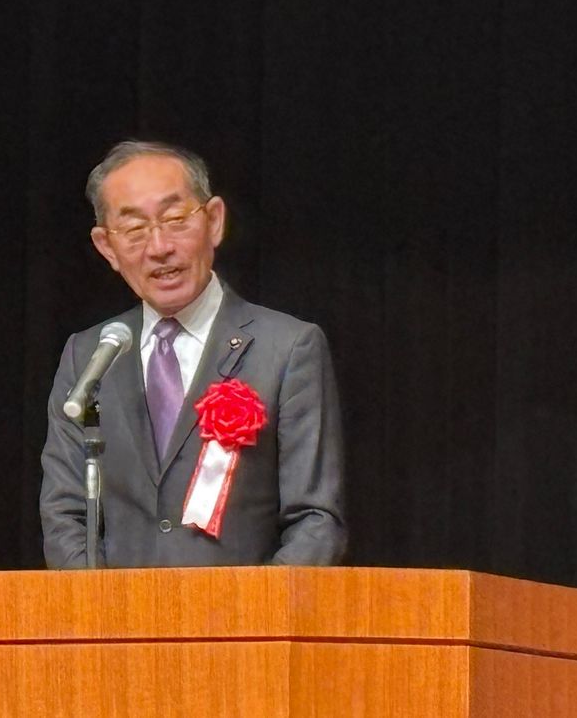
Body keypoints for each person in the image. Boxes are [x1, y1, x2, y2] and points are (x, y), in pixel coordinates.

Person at [39, 141, 347, 568]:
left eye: (174, 219)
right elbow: (64, 515)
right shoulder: (89, 357)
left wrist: (255, 608)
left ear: (214, 221)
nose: (159, 246)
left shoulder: (287, 348)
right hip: (116, 611)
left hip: (246, 609)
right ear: (107, 247)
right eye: (134, 228)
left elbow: (315, 520)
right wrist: (100, 606)